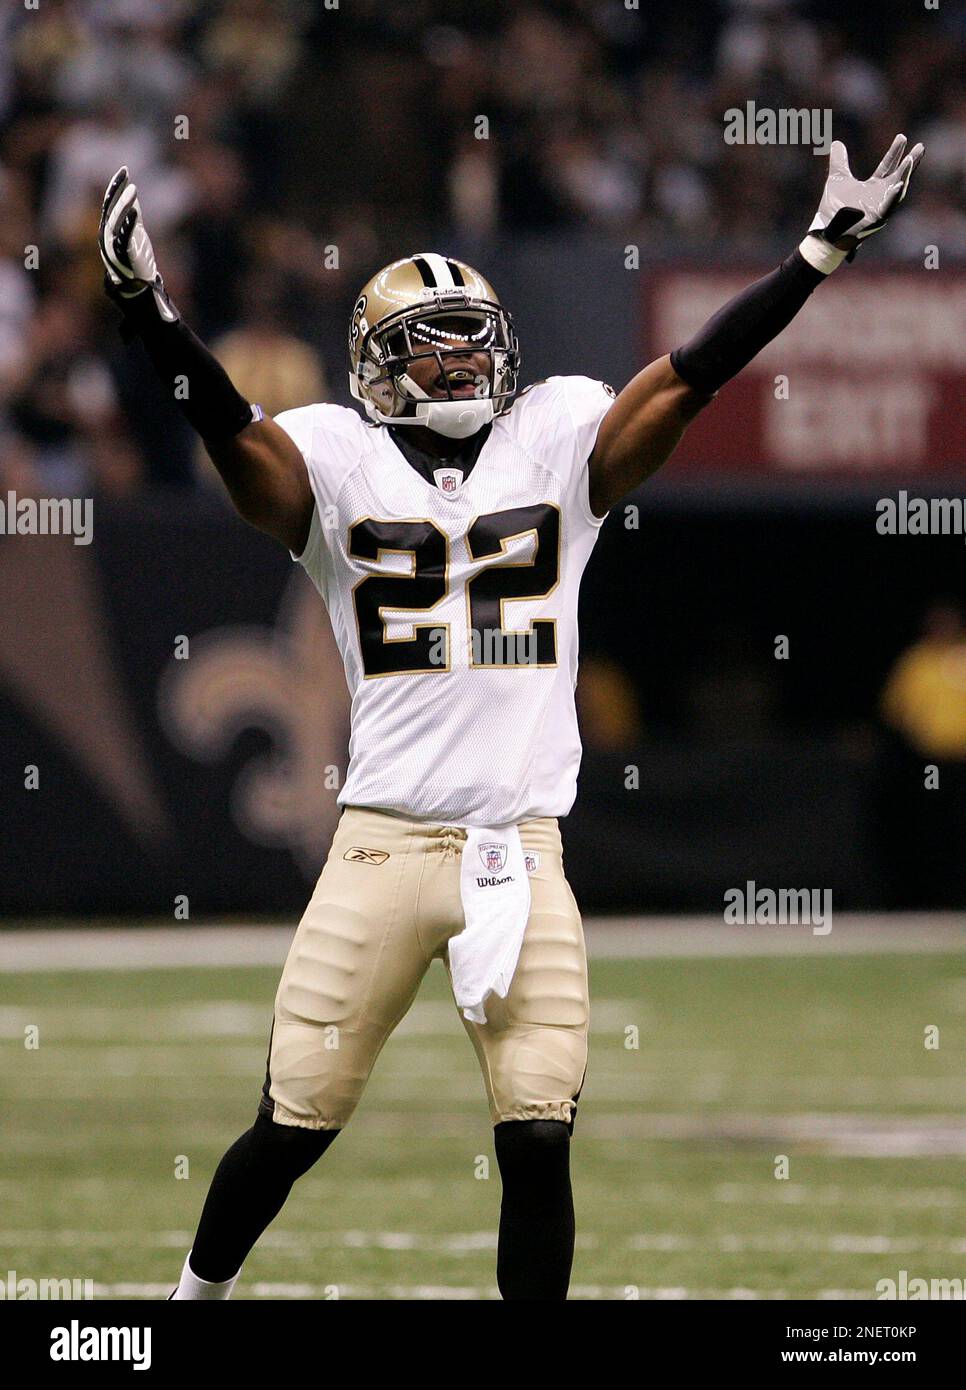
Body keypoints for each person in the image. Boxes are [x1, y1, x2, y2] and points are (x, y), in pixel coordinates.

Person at [97, 133, 923, 1300]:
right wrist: (150, 316)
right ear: (377, 367)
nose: (455, 365)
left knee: (538, 1132)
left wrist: (815, 254)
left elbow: (686, 376)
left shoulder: (555, 434)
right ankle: (189, 1302)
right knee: (295, 1121)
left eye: (469, 342)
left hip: (518, 851)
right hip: (380, 843)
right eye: (428, 351)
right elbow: (235, 437)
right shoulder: (333, 456)